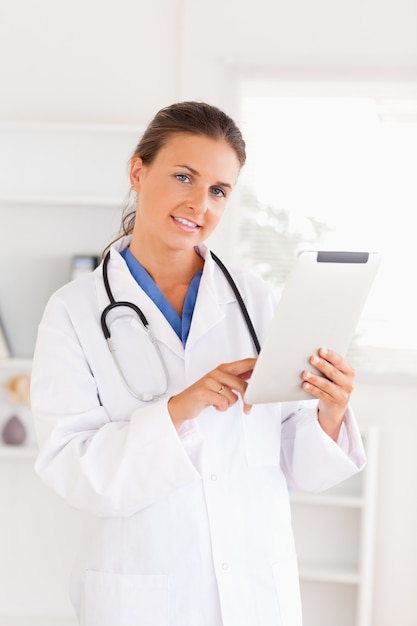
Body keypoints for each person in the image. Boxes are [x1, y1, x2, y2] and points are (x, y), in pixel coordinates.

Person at [30, 101, 366, 626]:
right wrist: (179, 410)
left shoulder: (256, 300)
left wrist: (329, 410)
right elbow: (72, 468)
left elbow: (300, 466)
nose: (199, 203)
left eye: (218, 190)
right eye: (183, 176)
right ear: (138, 171)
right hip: (143, 593)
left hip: (255, 591)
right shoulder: (74, 311)